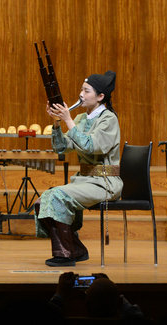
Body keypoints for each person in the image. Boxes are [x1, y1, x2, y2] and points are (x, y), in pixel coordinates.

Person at [35, 70, 122, 267]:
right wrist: (57, 123)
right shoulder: (83, 118)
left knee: (55, 196)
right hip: (85, 180)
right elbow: (61, 147)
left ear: (101, 97)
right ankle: (75, 249)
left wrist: (67, 120)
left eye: (86, 91)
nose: (81, 95)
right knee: (42, 202)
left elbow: (91, 146)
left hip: (105, 182)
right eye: (81, 90)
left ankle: (65, 255)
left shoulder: (109, 119)